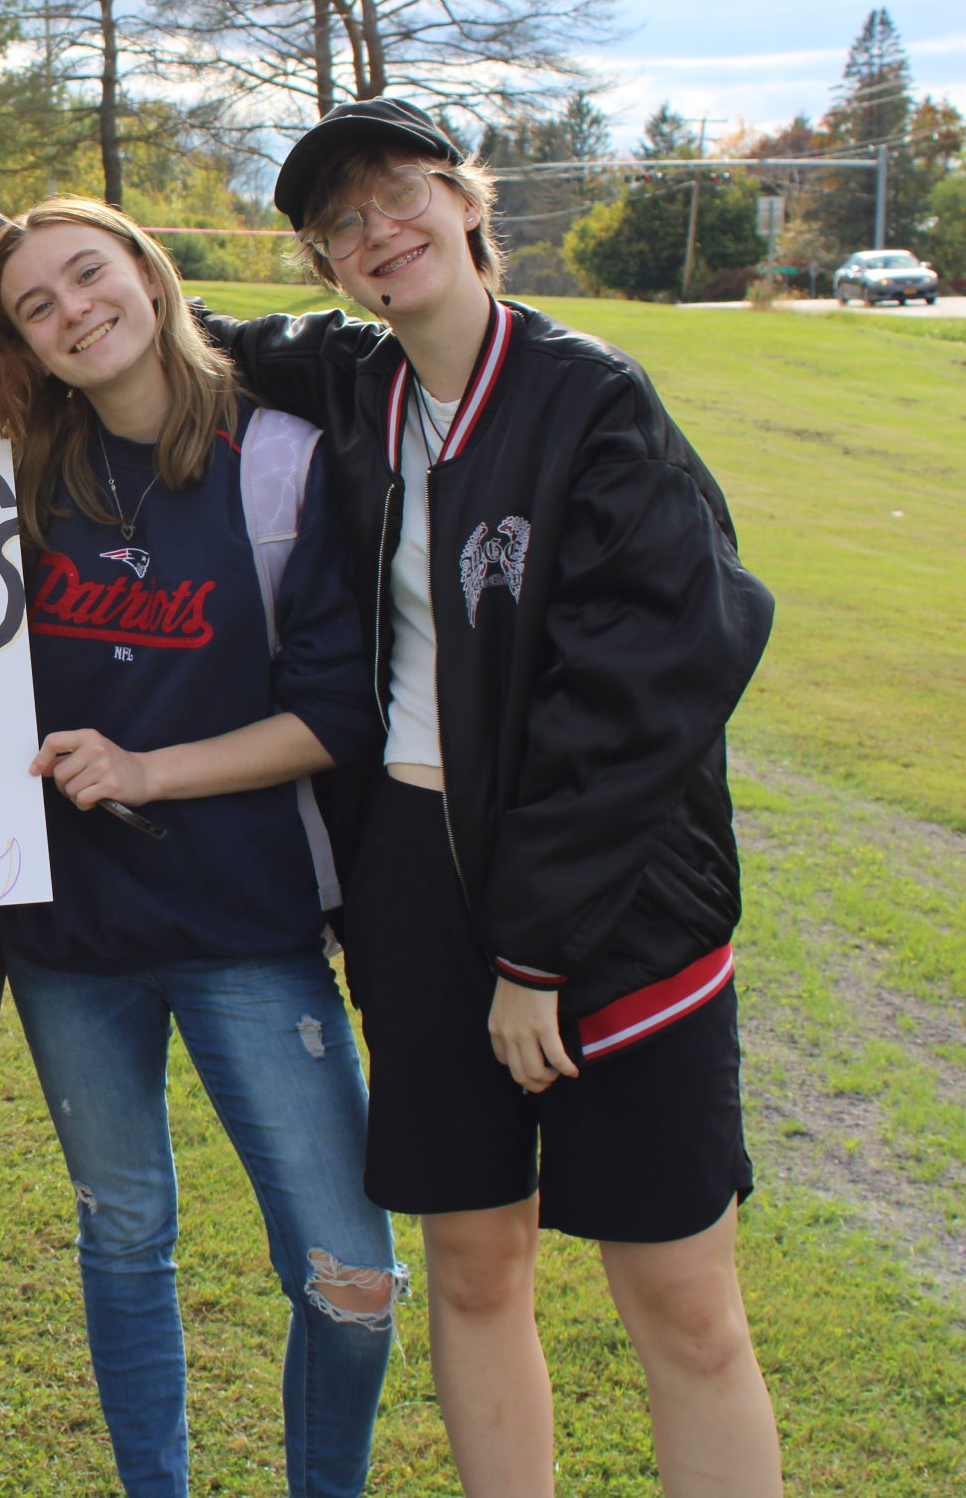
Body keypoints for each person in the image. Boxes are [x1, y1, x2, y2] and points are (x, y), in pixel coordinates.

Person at [201, 97, 781, 1498]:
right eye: (339, 222)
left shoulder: (596, 404)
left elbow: (639, 702)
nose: (376, 230)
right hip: (415, 876)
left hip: (614, 895)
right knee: (471, 1263)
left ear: (469, 203)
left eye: (398, 193)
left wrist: (537, 955)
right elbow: (145, 320)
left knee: (681, 1299)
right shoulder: (356, 386)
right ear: (329, 268)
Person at [0, 195, 401, 1496]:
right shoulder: (16, 480)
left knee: (348, 1272)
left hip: (249, 932)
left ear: (148, 274)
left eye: (88, 276)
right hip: (74, 940)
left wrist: (148, 769)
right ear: (22, 343)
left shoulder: (281, 466)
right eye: (35, 306)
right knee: (125, 1231)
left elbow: (335, 714)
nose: (72, 312)